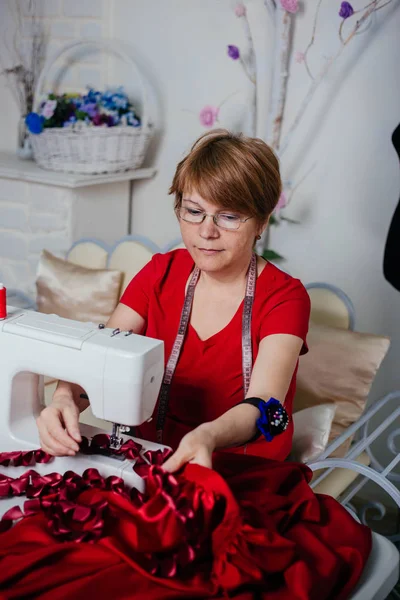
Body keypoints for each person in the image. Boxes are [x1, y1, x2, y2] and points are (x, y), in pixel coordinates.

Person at [36, 129, 311, 473]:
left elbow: (268, 408)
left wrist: (208, 436)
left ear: (262, 221)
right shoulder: (160, 272)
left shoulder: (285, 297)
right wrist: (64, 398)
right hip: (150, 460)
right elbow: (101, 356)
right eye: (193, 211)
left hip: (241, 474)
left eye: (228, 216)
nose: (206, 231)